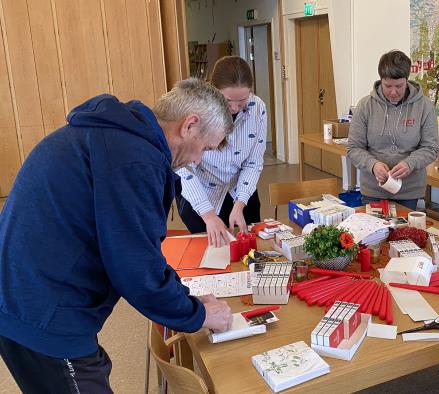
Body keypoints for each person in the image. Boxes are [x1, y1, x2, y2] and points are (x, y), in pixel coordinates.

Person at [0, 79, 234, 393]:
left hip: (30, 298)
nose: (197, 160)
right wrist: (198, 313)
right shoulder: (133, 159)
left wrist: (187, 303)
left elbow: (139, 251)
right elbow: (137, 271)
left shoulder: (116, 137)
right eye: (205, 148)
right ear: (189, 125)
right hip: (42, 313)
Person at [176, 56, 267, 247]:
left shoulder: (257, 108)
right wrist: (209, 216)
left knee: (246, 249)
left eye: (242, 100)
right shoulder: (194, 111)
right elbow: (183, 169)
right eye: (227, 101)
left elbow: (253, 162)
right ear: (213, 90)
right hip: (201, 193)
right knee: (211, 253)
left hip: (239, 189)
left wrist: (240, 203)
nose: (234, 108)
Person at [347, 50, 438, 210]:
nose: (393, 92)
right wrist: (373, 165)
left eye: (399, 86)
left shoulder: (424, 106)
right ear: (380, 80)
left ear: (407, 80)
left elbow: (431, 148)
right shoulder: (365, 106)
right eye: (387, 86)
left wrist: (410, 163)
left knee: (406, 234)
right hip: (374, 189)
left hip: (409, 191)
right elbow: (354, 148)